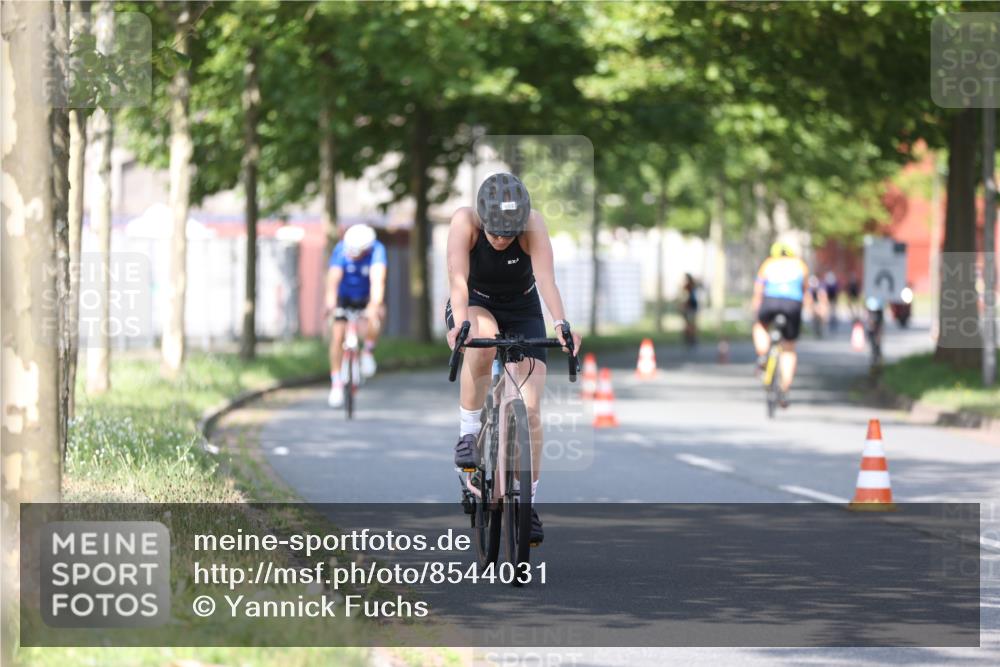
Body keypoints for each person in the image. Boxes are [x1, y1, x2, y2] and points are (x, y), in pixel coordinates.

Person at [445, 172, 581, 546]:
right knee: (484, 340)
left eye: (509, 233)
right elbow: (458, 279)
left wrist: (561, 324)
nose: (502, 240)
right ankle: (468, 435)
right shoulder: (464, 222)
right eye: (495, 233)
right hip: (475, 303)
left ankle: (527, 505)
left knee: (531, 407)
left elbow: (546, 279)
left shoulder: (533, 224)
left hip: (523, 308)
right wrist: (461, 325)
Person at [324, 223, 387, 408]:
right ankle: (336, 383)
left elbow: (378, 281)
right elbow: (333, 280)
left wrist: (374, 305)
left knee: (378, 313)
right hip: (344, 297)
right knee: (337, 336)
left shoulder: (377, 250)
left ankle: (367, 351)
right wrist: (330, 303)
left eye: (356, 253)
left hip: (365, 296)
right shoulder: (340, 249)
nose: (352, 255)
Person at [751, 241, 812, 408]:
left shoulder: (768, 263)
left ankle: (763, 355)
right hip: (792, 304)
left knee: (760, 326)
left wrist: (756, 307)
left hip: (770, 301)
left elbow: (758, 289)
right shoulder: (800, 265)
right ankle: (785, 389)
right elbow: (806, 291)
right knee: (789, 349)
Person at [680, 273, 699, 348]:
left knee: (690, 324)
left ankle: (691, 338)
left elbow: (687, 298)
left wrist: (684, 306)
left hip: (691, 307)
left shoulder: (689, 286)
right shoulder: (691, 286)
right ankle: (690, 338)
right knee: (689, 324)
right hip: (691, 307)